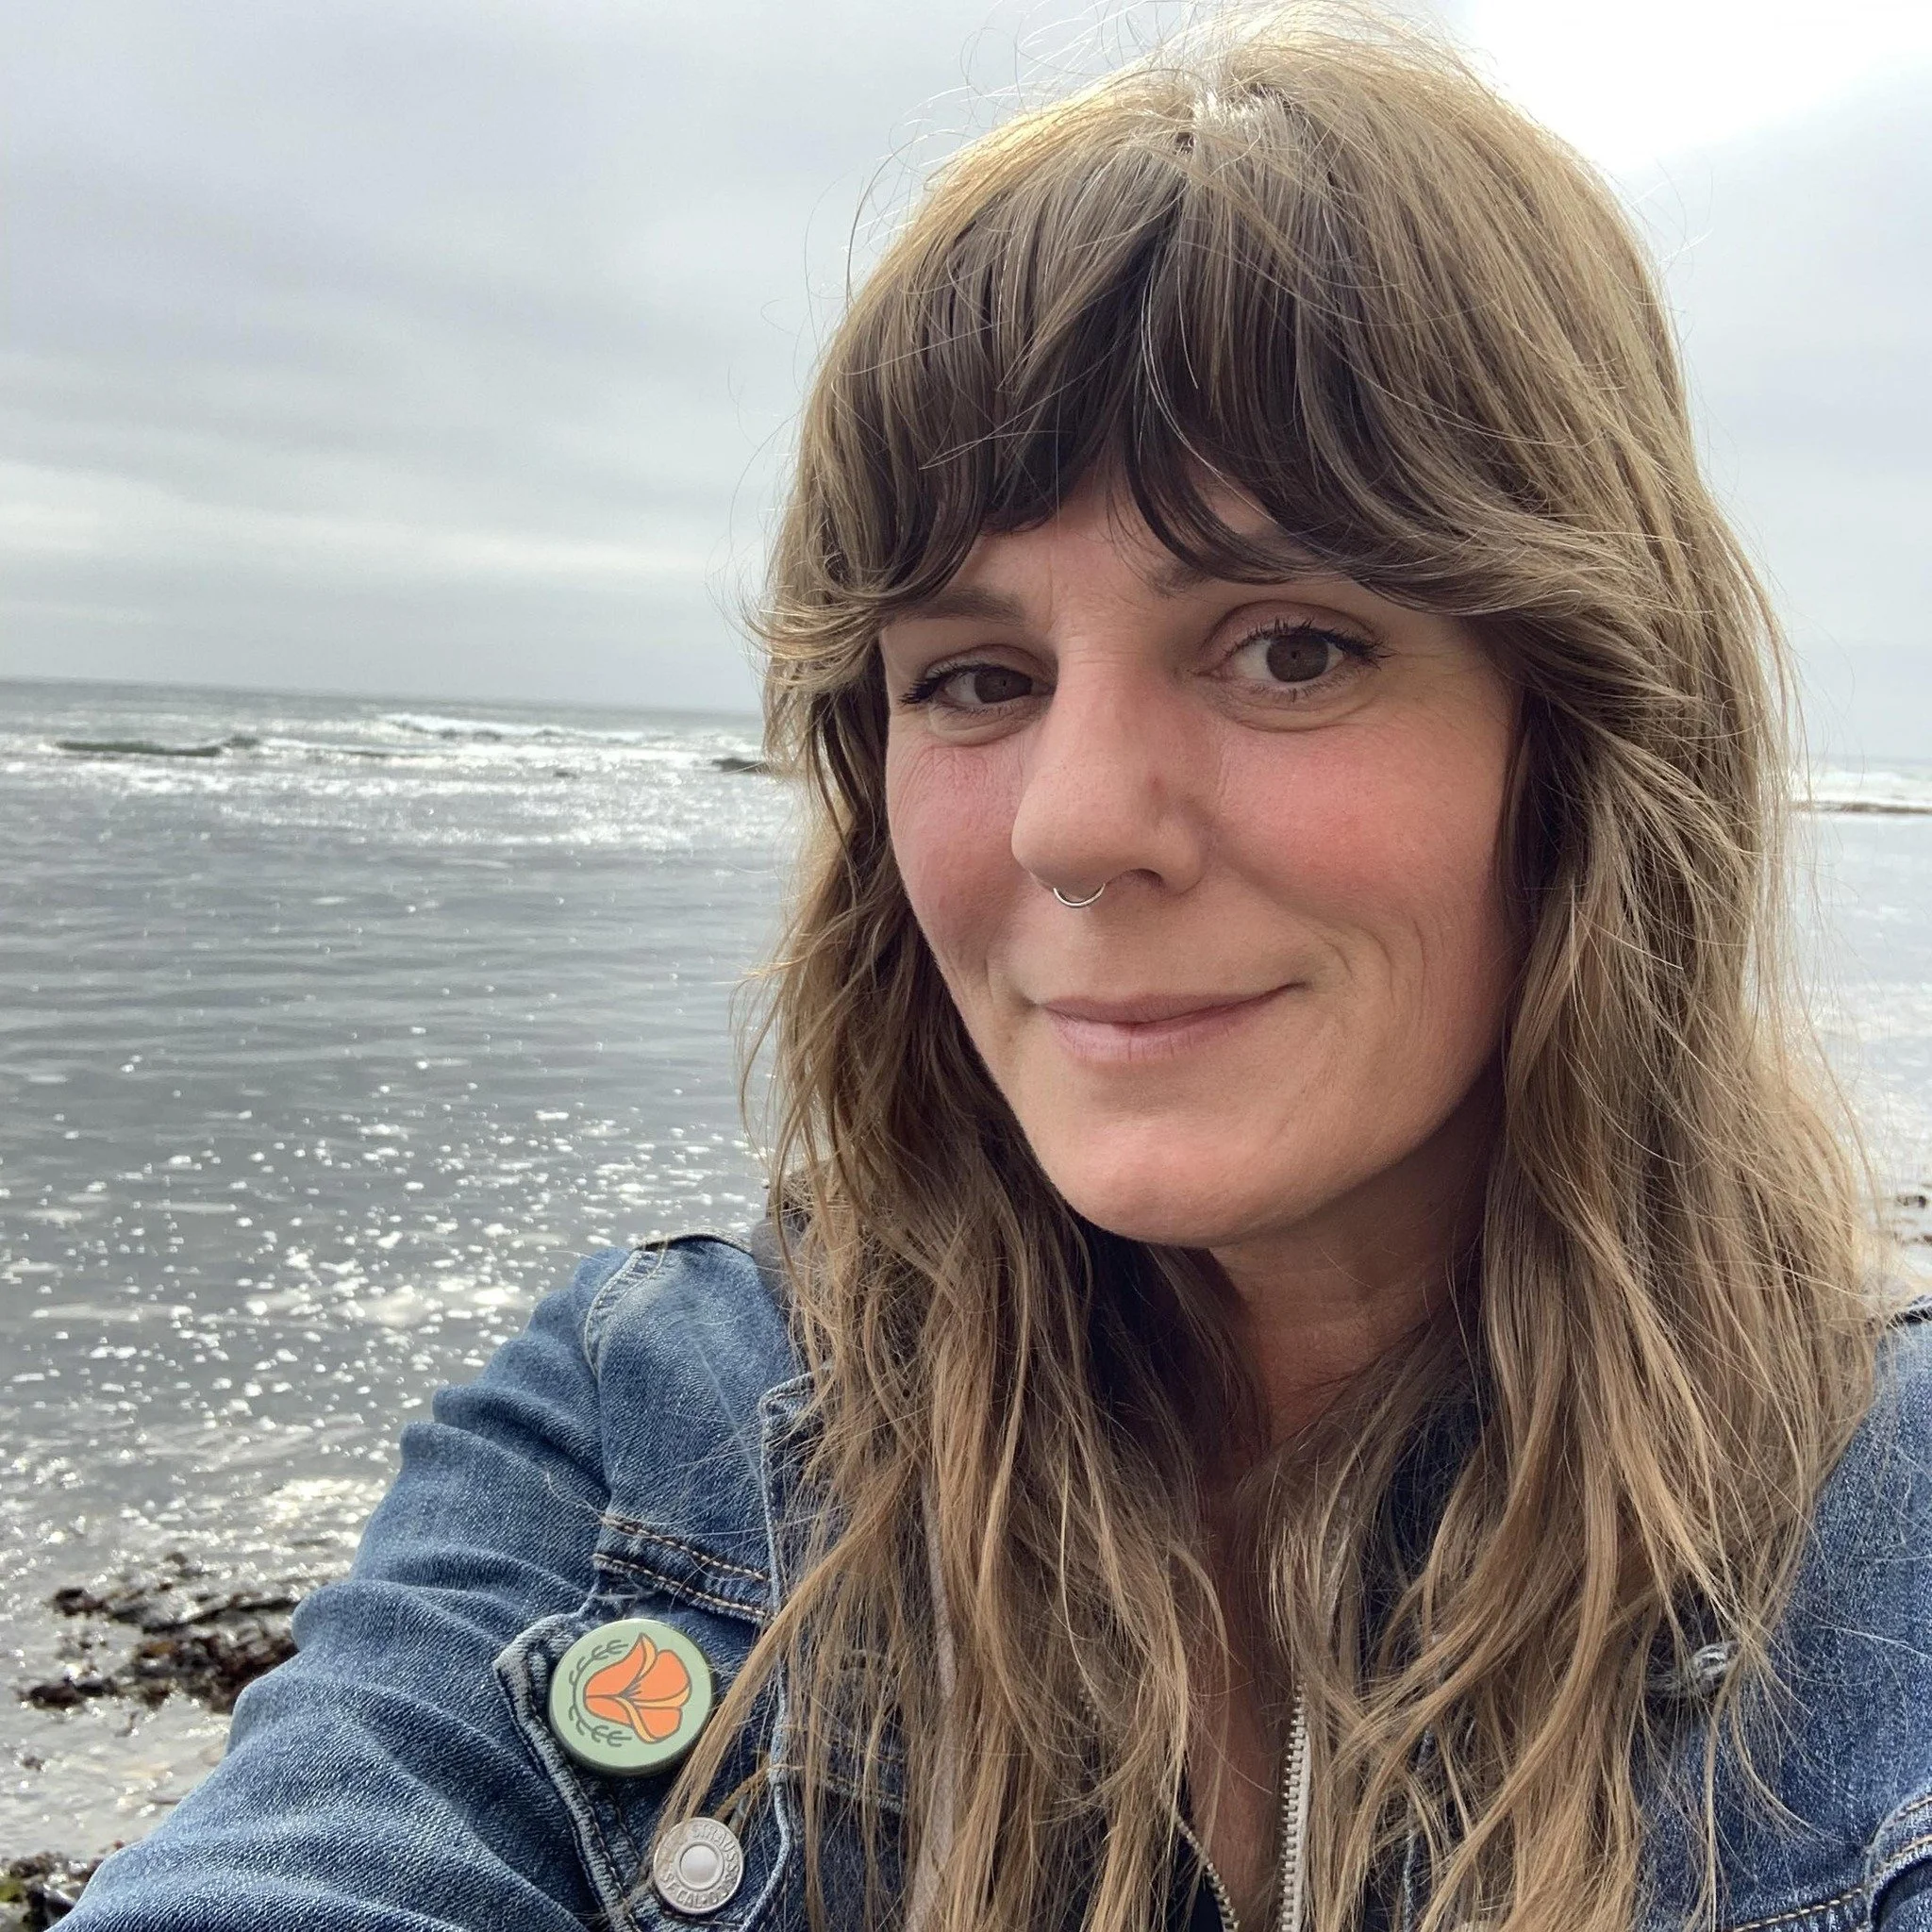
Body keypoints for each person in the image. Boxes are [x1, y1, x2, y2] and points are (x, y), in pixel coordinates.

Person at [61, 12, 1932, 1932]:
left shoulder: (1888, 1562)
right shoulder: (659, 1439)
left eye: (1289, 645)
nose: (1069, 822)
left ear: (1584, 738)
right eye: (974, 676)